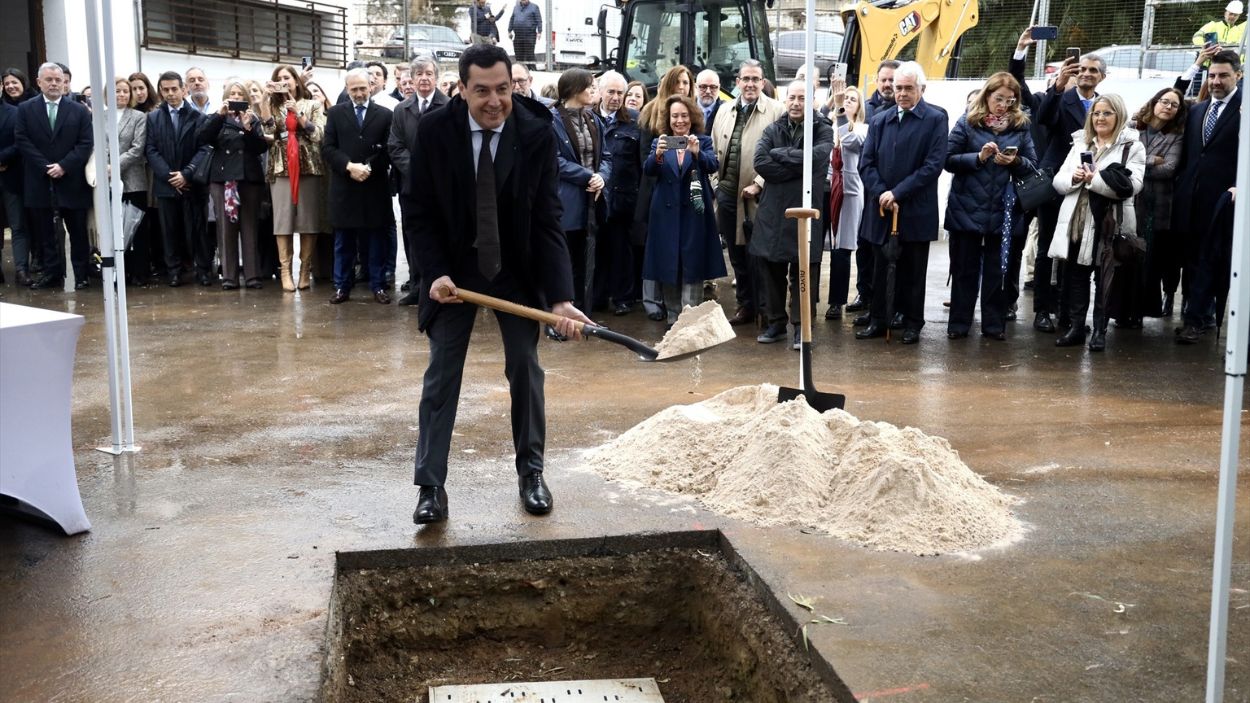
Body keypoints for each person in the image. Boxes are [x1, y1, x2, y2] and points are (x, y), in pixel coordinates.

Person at [409, 44, 591, 523]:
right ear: (462, 89)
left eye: (503, 89)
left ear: (514, 85)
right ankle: (430, 487)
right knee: (442, 374)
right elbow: (420, 213)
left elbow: (548, 220)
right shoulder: (434, 132)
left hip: (514, 268)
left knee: (526, 369)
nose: (495, 102)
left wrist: (560, 298)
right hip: (454, 269)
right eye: (482, 91)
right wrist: (434, 272)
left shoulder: (534, 132)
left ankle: (531, 473)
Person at [856, 61, 948, 345]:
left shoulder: (934, 119)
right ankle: (879, 318)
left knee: (913, 269)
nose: (902, 93)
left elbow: (933, 165)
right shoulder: (881, 120)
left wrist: (898, 193)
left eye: (908, 88)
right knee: (879, 266)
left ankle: (911, 322)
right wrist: (882, 192)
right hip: (881, 207)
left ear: (921, 88)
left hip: (915, 208)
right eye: (898, 88)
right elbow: (866, 162)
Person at [943, 73, 1038, 341]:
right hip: (967, 206)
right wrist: (979, 157)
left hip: (1005, 209)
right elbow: (947, 159)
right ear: (987, 96)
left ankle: (994, 326)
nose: (1004, 105)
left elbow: (1033, 165)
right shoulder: (968, 122)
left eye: (1010, 100)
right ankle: (959, 324)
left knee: (999, 271)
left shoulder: (1020, 126)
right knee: (964, 269)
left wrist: (1015, 162)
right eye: (999, 98)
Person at [1047, 94, 1145, 351]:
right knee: (1077, 276)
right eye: (1097, 113)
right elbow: (1058, 181)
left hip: (1109, 224)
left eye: (1107, 113)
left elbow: (1133, 186)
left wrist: (1093, 180)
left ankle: (1099, 331)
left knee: (1105, 278)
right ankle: (1077, 328)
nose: (1100, 118)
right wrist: (1076, 177)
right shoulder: (1081, 142)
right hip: (1078, 221)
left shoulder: (1132, 146)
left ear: (1119, 115)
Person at [750, 80, 833, 349]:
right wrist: (798, 164)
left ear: (812, 101)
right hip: (774, 212)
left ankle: (801, 327)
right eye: (792, 98)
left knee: (804, 270)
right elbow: (761, 162)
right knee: (770, 268)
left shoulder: (823, 130)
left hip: (806, 209)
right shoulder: (773, 128)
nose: (796, 103)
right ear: (786, 100)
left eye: (802, 98)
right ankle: (775, 323)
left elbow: (818, 159)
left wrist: (780, 155)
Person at [1033, 52, 1107, 334]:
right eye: (1083, 69)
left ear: (1102, 76)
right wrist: (1057, 86)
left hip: (1087, 187)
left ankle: (1067, 313)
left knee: (1076, 251)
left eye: (1093, 70)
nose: (1087, 74)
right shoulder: (1060, 98)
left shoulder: (1104, 106)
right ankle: (1043, 310)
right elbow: (1043, 119)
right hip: (1057, 182)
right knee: (1046, 250)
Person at [710, 59, 784, 327]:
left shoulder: (777, 111)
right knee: (737, 255)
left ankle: (766, 308)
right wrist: (716, 183)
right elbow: (714, 148)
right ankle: (746, 305)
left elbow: (780, 153)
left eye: (756, 79)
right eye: (746, 79)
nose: (751, 84)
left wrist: (760, 183)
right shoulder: (724, 110)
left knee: (760, 255)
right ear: (737, 82)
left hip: (759, 196)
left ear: (763, 82)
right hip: (728, 194)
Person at [1174, 50, 1242, 344]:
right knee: (1191, 258)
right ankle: (1196, 312)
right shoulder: (1197, 111)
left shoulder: (1245, 109)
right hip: (1190, 199)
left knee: (1209, 259)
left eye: (1223, 75)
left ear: (1238, 75)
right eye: (1212, 75)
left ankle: (1197, 319)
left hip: (1225, 202)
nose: (1216, 81)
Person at [642, 95, 723, 323]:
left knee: (693, 261)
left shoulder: (703, 140)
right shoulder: (660, 141)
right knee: (668, 262)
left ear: (692, 117)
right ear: (668, 119)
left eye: (684, 116)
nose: (679, 121)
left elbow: (712, 165)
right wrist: (658, 154)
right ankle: (673, 318)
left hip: (694, 210)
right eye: (675, 116)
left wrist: (696, 152)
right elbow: (649, 170)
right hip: (665, 213)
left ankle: (690, 318)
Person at [15, 63, 94, 290]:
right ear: (39, 82)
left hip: (71, 179)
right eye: (49, 79)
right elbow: (22, 140)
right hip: (39, 179)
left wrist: (63, 165)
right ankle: (52, 273)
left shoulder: (78, 111)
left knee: (77, 230)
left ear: (64, 82)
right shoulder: (26, 109)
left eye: (58, 80)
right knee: (46, 232)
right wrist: (45, 166)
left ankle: (81, 274)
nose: (54, 84)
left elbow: (85, 143)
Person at [322, 68, 394, 305]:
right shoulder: (335, 113)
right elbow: (328, 148)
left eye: (363, 88)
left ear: (371, 87)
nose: (359, 93)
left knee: (375, 239)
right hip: (345, 186)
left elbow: (388, 148)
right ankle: (342, 286)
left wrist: (368, 167)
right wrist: (349, 166)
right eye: (354, 89)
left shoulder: (384, 114)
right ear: (347, 89)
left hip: (374, 186)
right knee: (343, 241)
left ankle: (378, 285)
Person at [260, 64, 327, 292]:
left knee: (308, 220)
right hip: (281, 166)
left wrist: (298, 114)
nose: (283, 82)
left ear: (297, 80)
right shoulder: (272, 105)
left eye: (287, 77)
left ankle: (305, 269)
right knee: (283, 221)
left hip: (308, 165)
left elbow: (317, 134)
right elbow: (268, 132)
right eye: (278, 79)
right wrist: (264, 104)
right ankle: (285, 272)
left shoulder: (313, 104)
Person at [635, 66, 695, 320]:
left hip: (683, 193)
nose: (683, 87)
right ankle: (651, 302)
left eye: (686, 82)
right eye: (678, 82)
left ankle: (671, 304)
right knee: (654, 248)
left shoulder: (691, 112)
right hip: (654, 189)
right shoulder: (651, 112)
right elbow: (646, 158)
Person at [390, 55, 449, 305]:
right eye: (419, 74)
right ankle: (416, 287)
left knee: (441, 234)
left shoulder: (448, 106)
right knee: (413, 235)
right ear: (411, 80)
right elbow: (395, 146)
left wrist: (433, 171)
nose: (424, 78)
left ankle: (439, 283)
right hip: (412, 185)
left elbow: (452, 146)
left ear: (435, 77)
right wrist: (417, 170)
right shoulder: (401, 110)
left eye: (428, 73)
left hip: (442, 187)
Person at [197, 80, 268, 290]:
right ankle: (229, 277)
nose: (236, 97)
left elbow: (260, 147)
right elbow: (202, 137)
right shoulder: (216, 118)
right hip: (223, 180)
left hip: (249, 179)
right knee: (226, 229)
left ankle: (253, 275)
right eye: (232, 94)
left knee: (249, 227)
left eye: (240, 94)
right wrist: (220, 115)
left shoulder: (253, 119)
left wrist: (247, 129)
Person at [551, 68, 611, 312]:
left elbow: (606, 156)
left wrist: (602, 178)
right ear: (574, 89)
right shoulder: (551, 119)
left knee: (585, 262)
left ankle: (581, 315)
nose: (593, 90)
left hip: (592, 202)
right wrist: (588, 176)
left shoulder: (593, 119)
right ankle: (558, 316)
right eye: (589, 86)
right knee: (562, 263)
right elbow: (553, 160)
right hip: (566, 204)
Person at [145, 70, 211, 287]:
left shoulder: (198, 117)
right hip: (166, 184)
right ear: (161, 91)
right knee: (169, 230)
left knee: (198, 230)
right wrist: (168, 176)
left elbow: (204, 148)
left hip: (192, 183)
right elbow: (151, 149)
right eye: (166, 90)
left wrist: (187, 173)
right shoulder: (154, 118)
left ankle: (203, 270)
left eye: (175, 89)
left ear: (184, 89)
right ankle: (173, 271)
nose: (171, 93)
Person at [1127, 88, 1186, 320]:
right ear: (1154, 103)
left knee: (1158, 257)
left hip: (1159, 204)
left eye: (1174, 105)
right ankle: (1129, 308)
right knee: (1131, 254)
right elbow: (1123, 160)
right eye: (1165, 101)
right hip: (1132, 201)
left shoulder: (1177, 135)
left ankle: (1165, 295)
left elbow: (1169, 169)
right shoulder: (1133, 128)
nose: (1168, 107)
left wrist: (1137, 164)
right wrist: (1151, 160)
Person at [595, 70, 641, 315]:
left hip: (624, 198)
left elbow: (642, 160)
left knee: (622, 250)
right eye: (610, 92)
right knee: (597, 249)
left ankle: (623, 298)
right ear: (600, 92)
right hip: (596, 197)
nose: (615, 97)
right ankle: (598, 296)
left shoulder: (635, 120)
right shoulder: (588, 117)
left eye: (619, 93)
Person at [823, 80, 868, 322]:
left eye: (852, 99)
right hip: (826, 189)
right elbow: (819, 115)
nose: (846, 101)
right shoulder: (828, 125)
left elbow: (850, 141)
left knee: (843, 248)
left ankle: (836, 302)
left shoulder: (862, 128)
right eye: (844, 97)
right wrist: (832, 100)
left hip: (849, 191)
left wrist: (839, 111)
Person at [111, 77, 152, 287]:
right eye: (117, 91)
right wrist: (104, 167)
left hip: (133, 178)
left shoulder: (138, 116)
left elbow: (138, 148)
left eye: (125, 91)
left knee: (137, 228)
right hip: (108, 180)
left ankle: (140, 272)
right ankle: (120, 272)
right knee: (116, 228)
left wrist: (114, 166)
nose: (121, 95)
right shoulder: (101, 116)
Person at [509, 0, 542, 70]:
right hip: (518, 35)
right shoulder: (516, 7)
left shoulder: (534, 7)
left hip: (529, 35)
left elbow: (539, 20)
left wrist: (539, 31)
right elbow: (512, 19)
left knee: (529, 55)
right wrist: (509, 30)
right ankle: (520, 71)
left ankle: (533, 71)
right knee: (518, 55)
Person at [694, 69, 722, 135]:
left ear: (719, 88)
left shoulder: (726, 111)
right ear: (696, 87)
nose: (708, 91)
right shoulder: (686, 108)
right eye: (703, 87)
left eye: (713, 87)